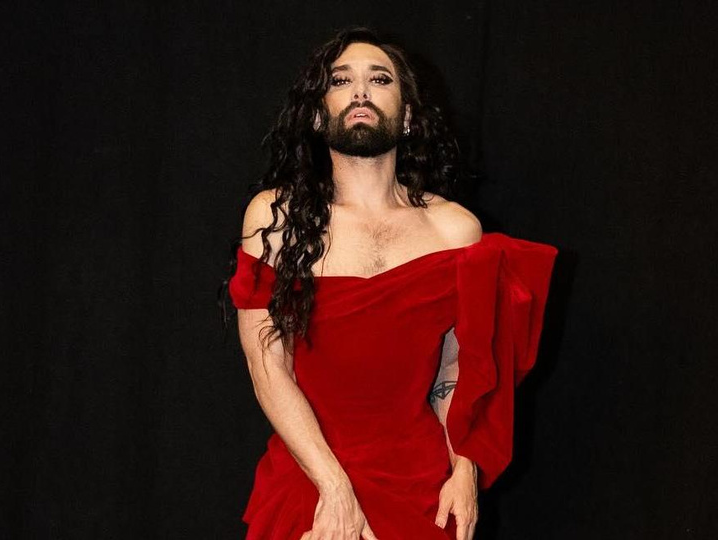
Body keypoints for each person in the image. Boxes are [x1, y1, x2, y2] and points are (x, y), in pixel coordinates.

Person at [222, 26, 558, 540]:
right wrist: (334, 487)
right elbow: (266, 364)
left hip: (421, 487)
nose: (360, 91)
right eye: (341, 81)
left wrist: (464, 468)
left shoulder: (455, 230)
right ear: (318, 115)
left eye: (379, 79)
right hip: (312, 478)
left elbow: (458, 367)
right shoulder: (276, 217)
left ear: (406, 117)